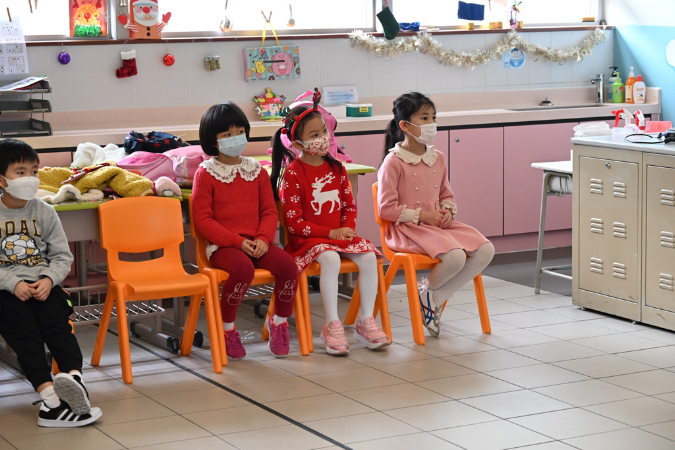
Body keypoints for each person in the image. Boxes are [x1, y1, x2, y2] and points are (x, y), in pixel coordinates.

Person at [270, 88, 390, 356]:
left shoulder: (337, 168)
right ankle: (332, 324)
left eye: (324, 131)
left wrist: (346, 229)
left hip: (337, 237)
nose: (322, 138)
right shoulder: (293, 174)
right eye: (314, 135)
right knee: (331, 260)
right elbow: (294, 223)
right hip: (307, 242)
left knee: (369, 257)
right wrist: (331, 233)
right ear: (297, 143)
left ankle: (366, 320)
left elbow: (349, 205)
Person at [0, 138, 102, 427]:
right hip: (8, 291)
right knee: (26, 336)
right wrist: (12, 282)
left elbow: (61, 256)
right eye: (20, 172)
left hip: (45, 286)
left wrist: (48, 279)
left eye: (34, 171)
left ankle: (74, 380)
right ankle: (50, 401)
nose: (30, 178)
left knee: (59, 328)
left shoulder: (45, 211)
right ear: (2, 180)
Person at [378, 92, 495, 337]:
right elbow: (386, 209)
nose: (431, 123)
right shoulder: (394, 161)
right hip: (409, 229)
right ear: (405, 125)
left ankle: (431, 297)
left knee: (486, 249)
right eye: (424, 118)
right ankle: (430, 298)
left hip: (438, 226)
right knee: (455, 257)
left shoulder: (437, 157)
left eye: (433, 117)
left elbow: (446, 194)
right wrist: (423, 216)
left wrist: (448, 212)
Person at [193, 102, 298, 360]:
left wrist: (263, 238)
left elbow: (269, 211)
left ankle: (279, 323)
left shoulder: (257, 170)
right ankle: (227, 329)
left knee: (289, 266)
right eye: (227, 134)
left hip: (258, 243)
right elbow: (202, 220)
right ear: (213, 140)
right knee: (243, 269)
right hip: (224, 247)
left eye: (240, 132)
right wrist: (236, 241)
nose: (235, 137)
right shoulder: (205, 173)